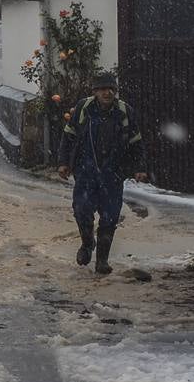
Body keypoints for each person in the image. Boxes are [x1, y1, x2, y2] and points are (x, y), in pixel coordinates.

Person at [57, 73, 149, 275]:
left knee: (110, 216)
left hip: (113, 173)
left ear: (115, 92)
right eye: (102, 89)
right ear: (95, 92)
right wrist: (64, 162)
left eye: (111, 89)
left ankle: (102, 261)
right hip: (85, 171)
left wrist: (140, 167)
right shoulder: (84, 109)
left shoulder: (125, 112)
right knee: (81, 209)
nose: (107, 93)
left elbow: (136, 142)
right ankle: (87, 243)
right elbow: (69, 136)